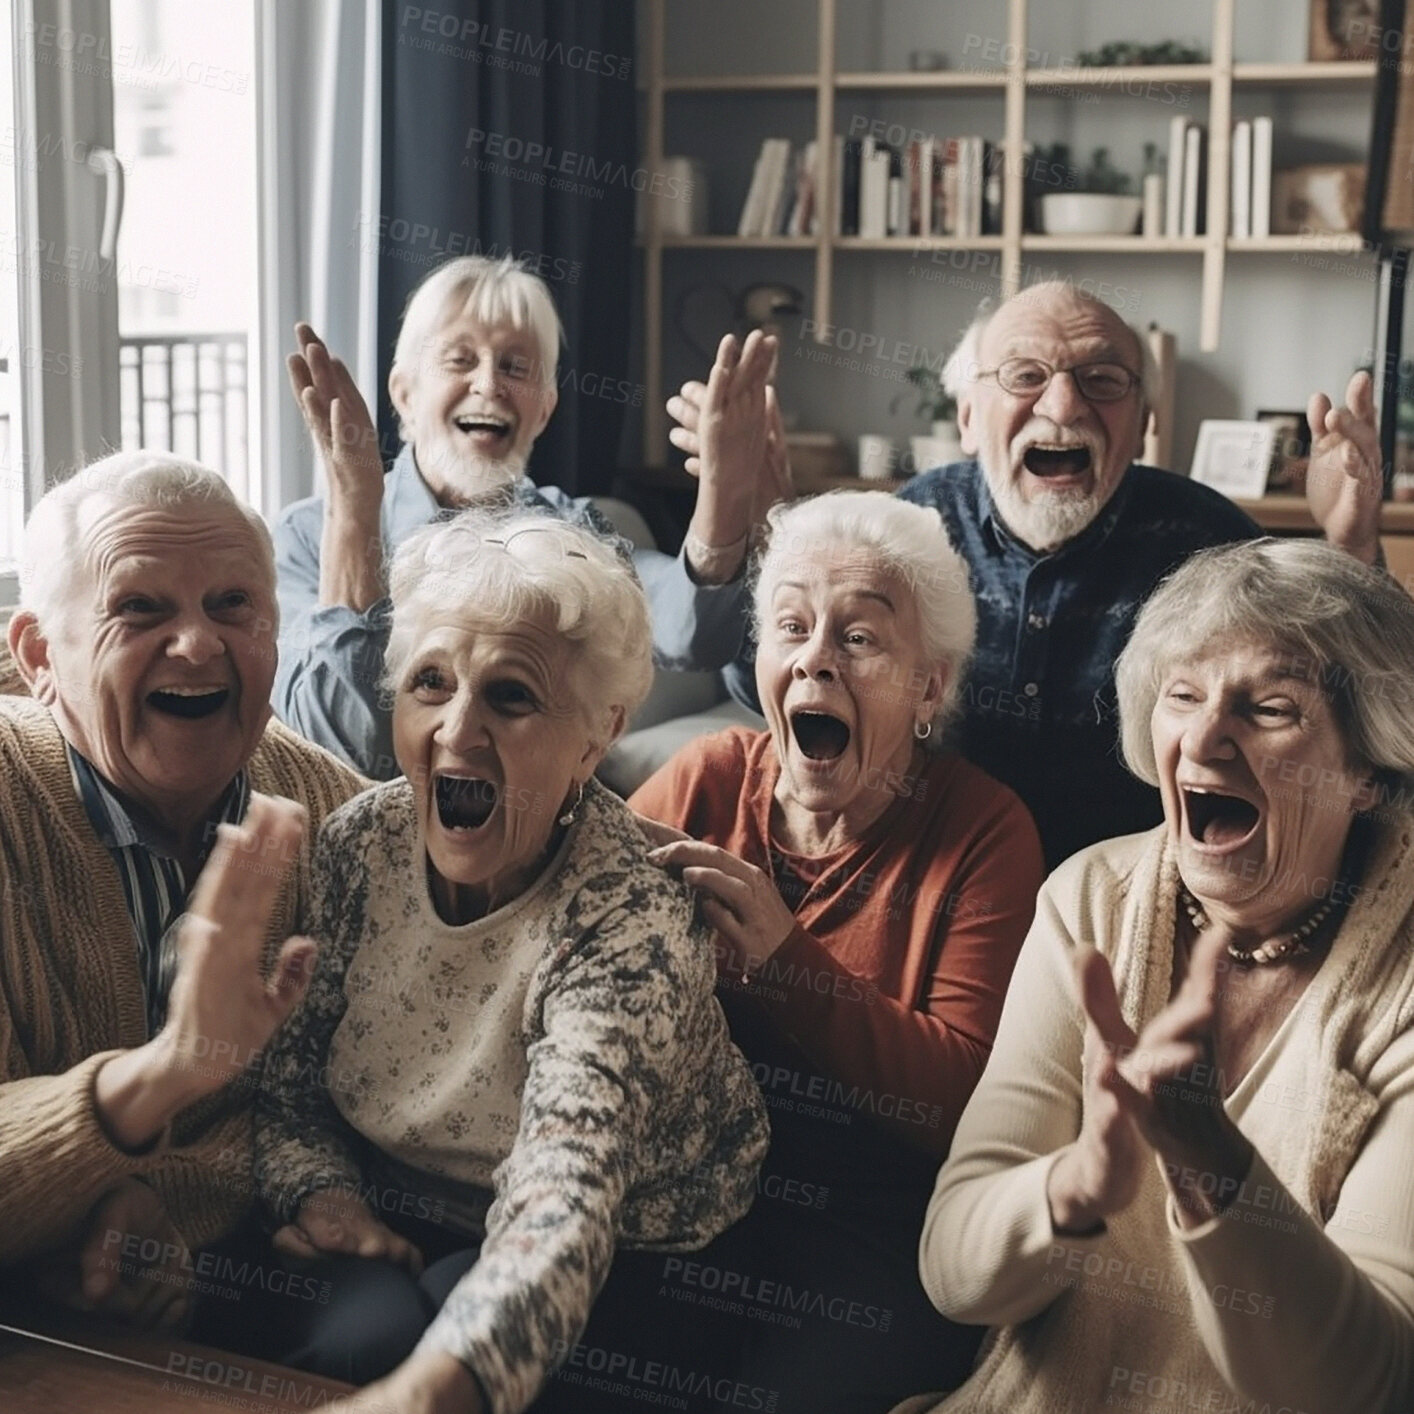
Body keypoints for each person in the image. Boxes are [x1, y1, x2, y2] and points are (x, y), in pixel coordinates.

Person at [254, 510, 769, 1414]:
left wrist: (427, 1394)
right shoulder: (356, 847)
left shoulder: (631, 917)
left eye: (511, 696)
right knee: (349, 1343)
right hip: (403, 1200)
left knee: (471, 1374)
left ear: (596, 736)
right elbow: (290, 1082)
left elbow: (566, 1199)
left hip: (635, 1242)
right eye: (430, 683)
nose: (457, 729)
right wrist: (322, 1192)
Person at [905, 538, 1414, 1414]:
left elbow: (1367, 1382)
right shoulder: (1091, 898)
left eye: (1271, 708)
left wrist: (1206, 1161)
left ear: (1367, 769)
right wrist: (1074, 1188)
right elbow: (954, 1273)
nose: (1205, 739)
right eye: (1183, 696)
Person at [680, 280, 1385, 867]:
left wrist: (1350, 540)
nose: (1063, 405)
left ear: (1142, 420)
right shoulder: (915, 522)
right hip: (937, 874)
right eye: (1025, 376)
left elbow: (1340, 712)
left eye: (1102, 380)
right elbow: (761, 686)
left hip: (1127, 889)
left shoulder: (1208, 540)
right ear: (966, 414)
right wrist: (763, 531)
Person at [630, 491, 1045, 1413]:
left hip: (869, 1224)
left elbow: (963, 1100)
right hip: (680, 1193)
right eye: (791, 628)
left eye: (859, 638)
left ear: (929, 686)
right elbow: (570, 949)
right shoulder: (704, 782)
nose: (816, 655)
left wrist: (788, 958)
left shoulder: (984, 830)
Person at [0, 450, 364, 1330]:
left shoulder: (332, 810)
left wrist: (138, 1200)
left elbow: (368, 1100)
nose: (199, 644)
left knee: (377, 1326)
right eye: (140, 607)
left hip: (251, 1250)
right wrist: (164, 1077)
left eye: (233, 605)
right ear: (40, 653)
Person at [273, 253, 790, 778]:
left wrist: (726, 499)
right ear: (404, 394)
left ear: (543, 408)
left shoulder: (572, 530)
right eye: (460, 360)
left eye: (515, 367)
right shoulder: (310, 537)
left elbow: (692, 635)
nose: (490, 385)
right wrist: (355, 518)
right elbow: (337, 747)